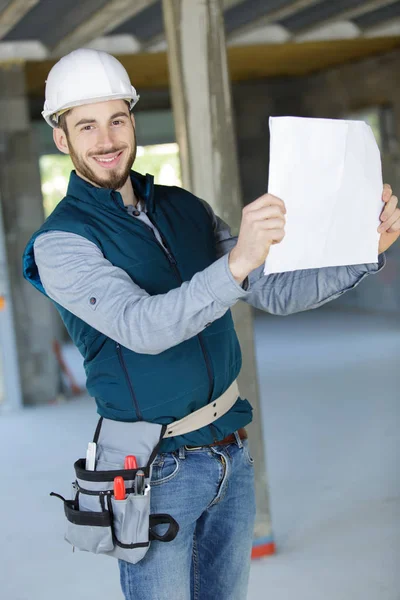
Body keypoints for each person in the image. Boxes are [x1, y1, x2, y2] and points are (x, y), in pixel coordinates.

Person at [23, 49, 400, 600]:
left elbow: (269, 289)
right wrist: (237, 261)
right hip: (152, 473)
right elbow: (142, 326)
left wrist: (364, 252)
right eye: (87, 125)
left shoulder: (186, 208)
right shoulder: (61, 243)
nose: (106, 139)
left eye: (117, 120)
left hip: (232, 452)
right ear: (62, 139)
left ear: (132, 121)